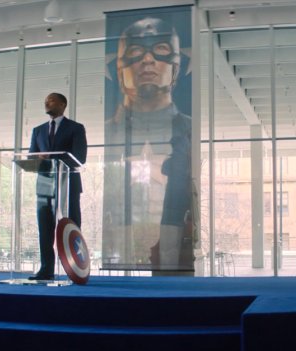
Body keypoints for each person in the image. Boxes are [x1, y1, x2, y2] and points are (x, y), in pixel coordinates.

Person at [103, 16, 193, 272]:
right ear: (121, 68)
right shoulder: (111, 132)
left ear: (175, 65)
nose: (147, 60)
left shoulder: (187, 129)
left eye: (161, 49)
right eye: (135, 51)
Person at [28, 92, 87, 280]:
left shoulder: (76, 128)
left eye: (51, 100)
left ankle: (74, 268)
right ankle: (46, 269)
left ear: (63, 104)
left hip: (68, 185)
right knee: (45, 229)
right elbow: (31, 156)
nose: (47, 102)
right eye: (45, 100)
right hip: (45, 186)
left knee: (71, 226)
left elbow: (80, 157)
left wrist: (54, 157)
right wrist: (38, 158)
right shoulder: (38, 130)